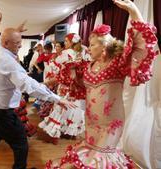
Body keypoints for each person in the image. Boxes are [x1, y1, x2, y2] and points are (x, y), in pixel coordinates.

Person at [45, 0, 158, 168]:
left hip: (111, 122)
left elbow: (142, 46)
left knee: (99, 157)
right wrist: (67, 77)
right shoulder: (88, 66)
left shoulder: (117, 63)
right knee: (89, 153)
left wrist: (134, 12)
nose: (88, 48)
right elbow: (77, 85)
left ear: (104, 45)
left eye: (91, 45)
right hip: (91, 121)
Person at [0, 12, 75, 169]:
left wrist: (15, 30)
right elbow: (29, 85)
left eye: (20, 42)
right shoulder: (9, 63)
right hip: (2, 113)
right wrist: (56, 98)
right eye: (17, 43)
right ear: (7, 43)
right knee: (21, 143)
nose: (21, 45)